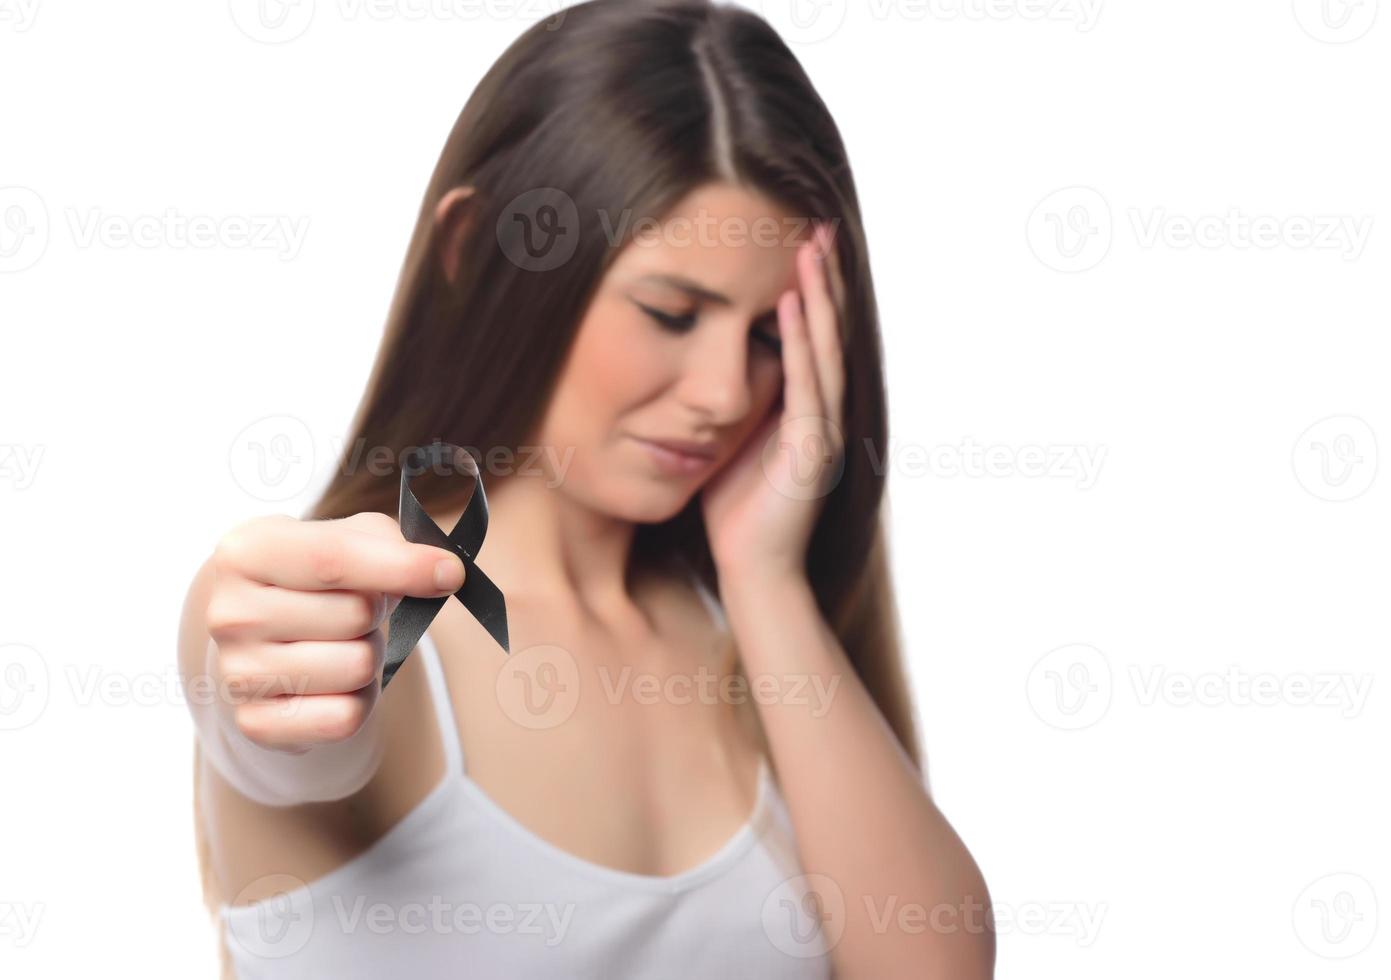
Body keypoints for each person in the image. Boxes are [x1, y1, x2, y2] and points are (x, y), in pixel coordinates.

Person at [177, 1, 993, 975]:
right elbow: (275, 715)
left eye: (769, 336)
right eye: (671, 311)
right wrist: (246, 663)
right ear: (475, 247)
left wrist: (766, 578)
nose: (726, 392)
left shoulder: (749, 642)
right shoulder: (359, 620)